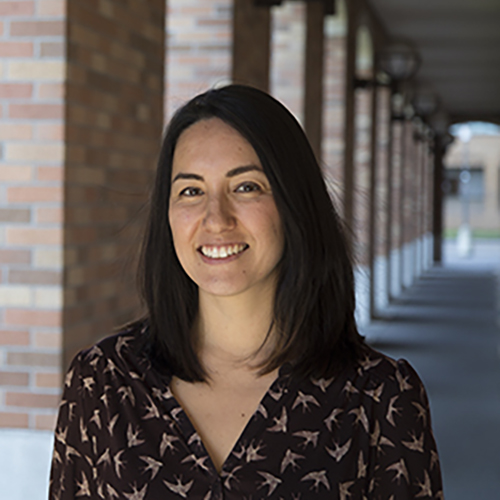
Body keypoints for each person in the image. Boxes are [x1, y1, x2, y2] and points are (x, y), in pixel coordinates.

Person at [49, 84, 443, 499]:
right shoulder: (102, 384)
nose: (215, 218)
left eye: (246, 187)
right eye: (191, 191)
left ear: (296, 203)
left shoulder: (380, 399)